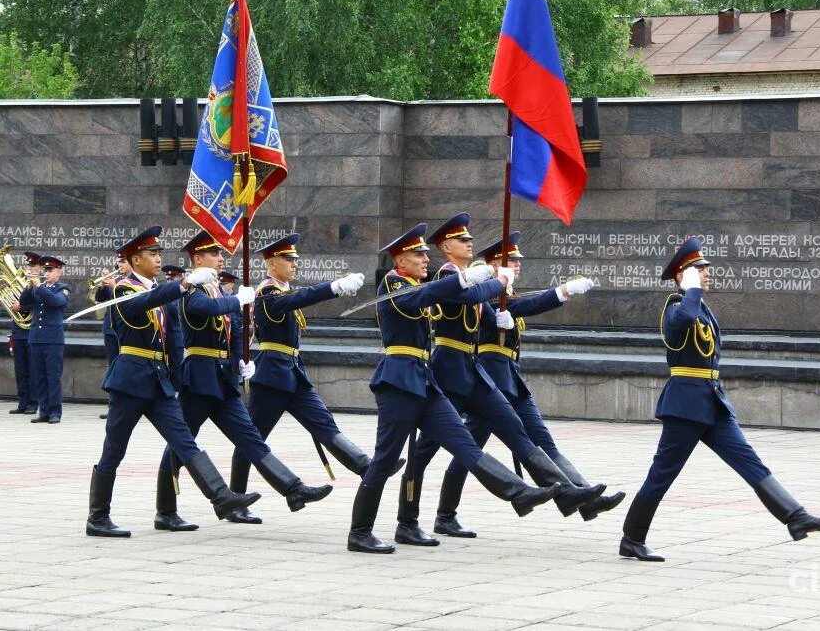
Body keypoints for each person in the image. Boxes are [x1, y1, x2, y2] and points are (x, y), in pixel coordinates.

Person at [619, 237, 820, 561]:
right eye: (699, 269)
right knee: (662, 474)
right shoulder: (676, 306)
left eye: (705, 268)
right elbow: (681, 327)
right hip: (685, 407)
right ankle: (632, 539)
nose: (707, 272)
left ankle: (795, 517)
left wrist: (695, 292)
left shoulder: (699, 306)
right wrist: (691, 290)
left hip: (711, 403)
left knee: (748, 460)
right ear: (683, 275)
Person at [347, 223, 561, 554]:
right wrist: (479, 280)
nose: (424, 259)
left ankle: (517, 492)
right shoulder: (394, 284)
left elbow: (446, 295)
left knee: (465, 446)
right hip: (399, 382)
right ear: (399, 260)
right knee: (385, 458)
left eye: (424, 253)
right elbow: (428, 295)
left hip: (425, 380)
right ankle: (360, 531)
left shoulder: (417, 284)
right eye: (417, 254)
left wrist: (478, 283)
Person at [396, 214, 602, 548]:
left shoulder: (470, 279)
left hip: (471, 370)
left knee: (514, 429)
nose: (469, 244)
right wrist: (498, 283)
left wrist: (556, 293)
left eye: (470, 240)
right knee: (424, 451)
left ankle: (565, 493)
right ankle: (409, 519)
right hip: (448, 370)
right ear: (447, 248)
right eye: (462, 241)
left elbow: (507, 309)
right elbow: (468, 298)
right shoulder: (449, 274)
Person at [153, 231, 331, 532]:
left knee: (250, 438)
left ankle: (292, 488)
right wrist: (236, 300)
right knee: (181, 444)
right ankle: (166, 510)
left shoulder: (221, 292)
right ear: (198, 259)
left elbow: (235, 329)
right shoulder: (191, 290)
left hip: (223, 378)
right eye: (214, 254)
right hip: (199, 377)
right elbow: (204, 310)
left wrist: (239, 362)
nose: (222, 258)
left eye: (221, 254)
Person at [88, 226, 260, 538]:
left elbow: (174, 339)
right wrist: (182, 284)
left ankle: (220, 497)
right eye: (151, 254)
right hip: (130, 380)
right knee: (115, 448)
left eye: (158, 253)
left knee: (184, 440)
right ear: (135, 259)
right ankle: (98, 517)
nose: (157, 258)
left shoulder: (162, 291)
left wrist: (179, 379)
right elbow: (141, 304)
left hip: (159, 381)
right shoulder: (124, 289)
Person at [226, 233, 401, 524]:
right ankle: (236, 500)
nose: (294, 264)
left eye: (295, 259)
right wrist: (334, 287)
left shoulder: (282, 290)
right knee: (252, 438)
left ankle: (365, 466)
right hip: (272, 375)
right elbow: (301, 298)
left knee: (323, 422)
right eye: (288, 259)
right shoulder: (268, 293)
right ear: (271, 264)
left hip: (293, 373)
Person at [20, 256, 70, 424]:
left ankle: (55, 412)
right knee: (39, 376)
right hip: (36, 338)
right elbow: (24, 302)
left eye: (50, 271)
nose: (47, 273)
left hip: (53, 340)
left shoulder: (63, 288)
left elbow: (55, 302)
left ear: (59, 272)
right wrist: (29, 285)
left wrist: (38, 285)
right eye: (45, 270)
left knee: (52, 377)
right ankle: (44, 410)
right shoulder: (36, 288)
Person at [95, 257, 132, 419]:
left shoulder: (134, 281)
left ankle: (130, 406)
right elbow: (101, 299)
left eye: (123, 262)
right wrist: (103, 284)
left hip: (128, 330)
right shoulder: (114, 279)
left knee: (128, 369)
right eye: (119, 263)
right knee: (113, 369)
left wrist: (115, 286)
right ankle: (114, 406)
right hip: (111, 329)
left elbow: (130, 299)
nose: (120, 266)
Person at [8, 251, 41, 415]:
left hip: (33, 331)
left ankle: (33, 403)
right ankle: (22, 402)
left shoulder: (41, 286)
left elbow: (38, 305)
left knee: (32, 369)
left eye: (33, 266)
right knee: (20, 369)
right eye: (28, 265)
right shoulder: (22, 283)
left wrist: (21, 308)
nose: (30, 268)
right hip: (18, 330)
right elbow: (16, 301)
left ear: (41, 268)